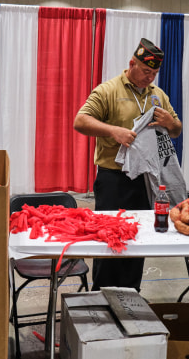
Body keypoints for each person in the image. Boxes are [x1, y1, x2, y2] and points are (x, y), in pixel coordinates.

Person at [73, 38, 182, 291]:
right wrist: (113, 131)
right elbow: (80, 121)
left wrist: (170, 123)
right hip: (113, 179)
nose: (150, 78)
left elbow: (176, 131)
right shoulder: (108, 90)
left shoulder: (158, 96)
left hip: (145, 181)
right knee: (109, 240)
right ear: (132, 64)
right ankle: (101, 294)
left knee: (138, 240)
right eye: (146, 71)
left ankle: (132, 294)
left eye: (154, 73)